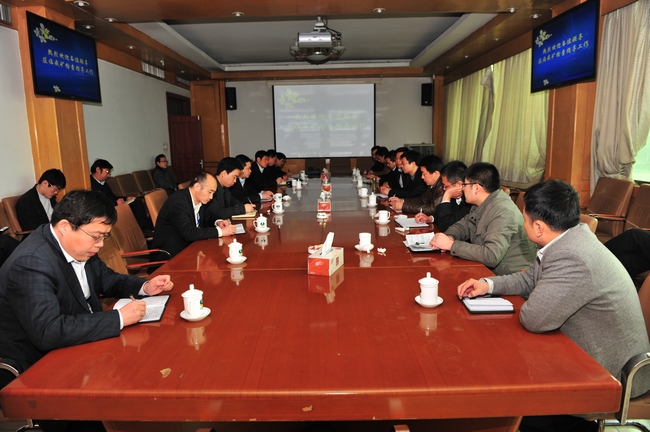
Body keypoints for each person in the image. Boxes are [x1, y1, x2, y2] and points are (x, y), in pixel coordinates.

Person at [457, 180, 650, 432]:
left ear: (538, 227)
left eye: (524, 220)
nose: (522, 224)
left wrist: (532, 300)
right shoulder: (569, 237)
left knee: (516, 402)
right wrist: (488, 285)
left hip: (611, 372)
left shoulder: (572, 257)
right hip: (586, 351)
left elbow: (534, 319)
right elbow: (531, 278)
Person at [0, 190, 174, 372]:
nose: (101, 244)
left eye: (104, 237)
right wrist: (119, 318)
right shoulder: (31, 263)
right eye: (96, 236)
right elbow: (48, 331)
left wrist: (145, 287)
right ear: (64, 226)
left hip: (83, 339)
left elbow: (108, 279)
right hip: (40, 363)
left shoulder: (80, 246)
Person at [430, 162, 535, 275]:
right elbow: (462, 226)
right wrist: (449, 237)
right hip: (487, 270)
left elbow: (491, 255)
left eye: (465, 185)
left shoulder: (502, 211)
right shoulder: (481, 203)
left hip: (510, 277)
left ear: (476, 188)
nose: (462, 189)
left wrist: (451, 245)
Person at [152, 171, 237, 258]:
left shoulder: (199, 199)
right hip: (172, 256)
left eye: (213, 193)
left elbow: (207, 216)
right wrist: (221, 231)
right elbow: (189, 233)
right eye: (210, 192)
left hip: (192, 248)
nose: (211, 197)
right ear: (197, 187)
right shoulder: (179, 202)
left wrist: (218, 222)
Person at [89, 159, 153, 232]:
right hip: (106, 210)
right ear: (98, 169)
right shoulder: (90, 184)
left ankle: (144, 229)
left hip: (114, 205)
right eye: (107, 172)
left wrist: (126, 198)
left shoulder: (103, 182)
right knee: (137, 204)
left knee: (137, 202)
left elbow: (112, 196)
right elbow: (99, 202)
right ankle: (144, 230)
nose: (109, 175)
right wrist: (115, 203)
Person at [415, 160, 472, 232]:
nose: (444, 189)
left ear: (459, 185)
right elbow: (442, 214)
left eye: (446, 186)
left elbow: (445, 226)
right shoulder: (454, 197)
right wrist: (430, 218)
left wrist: (447, 196)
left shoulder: (469, 203)